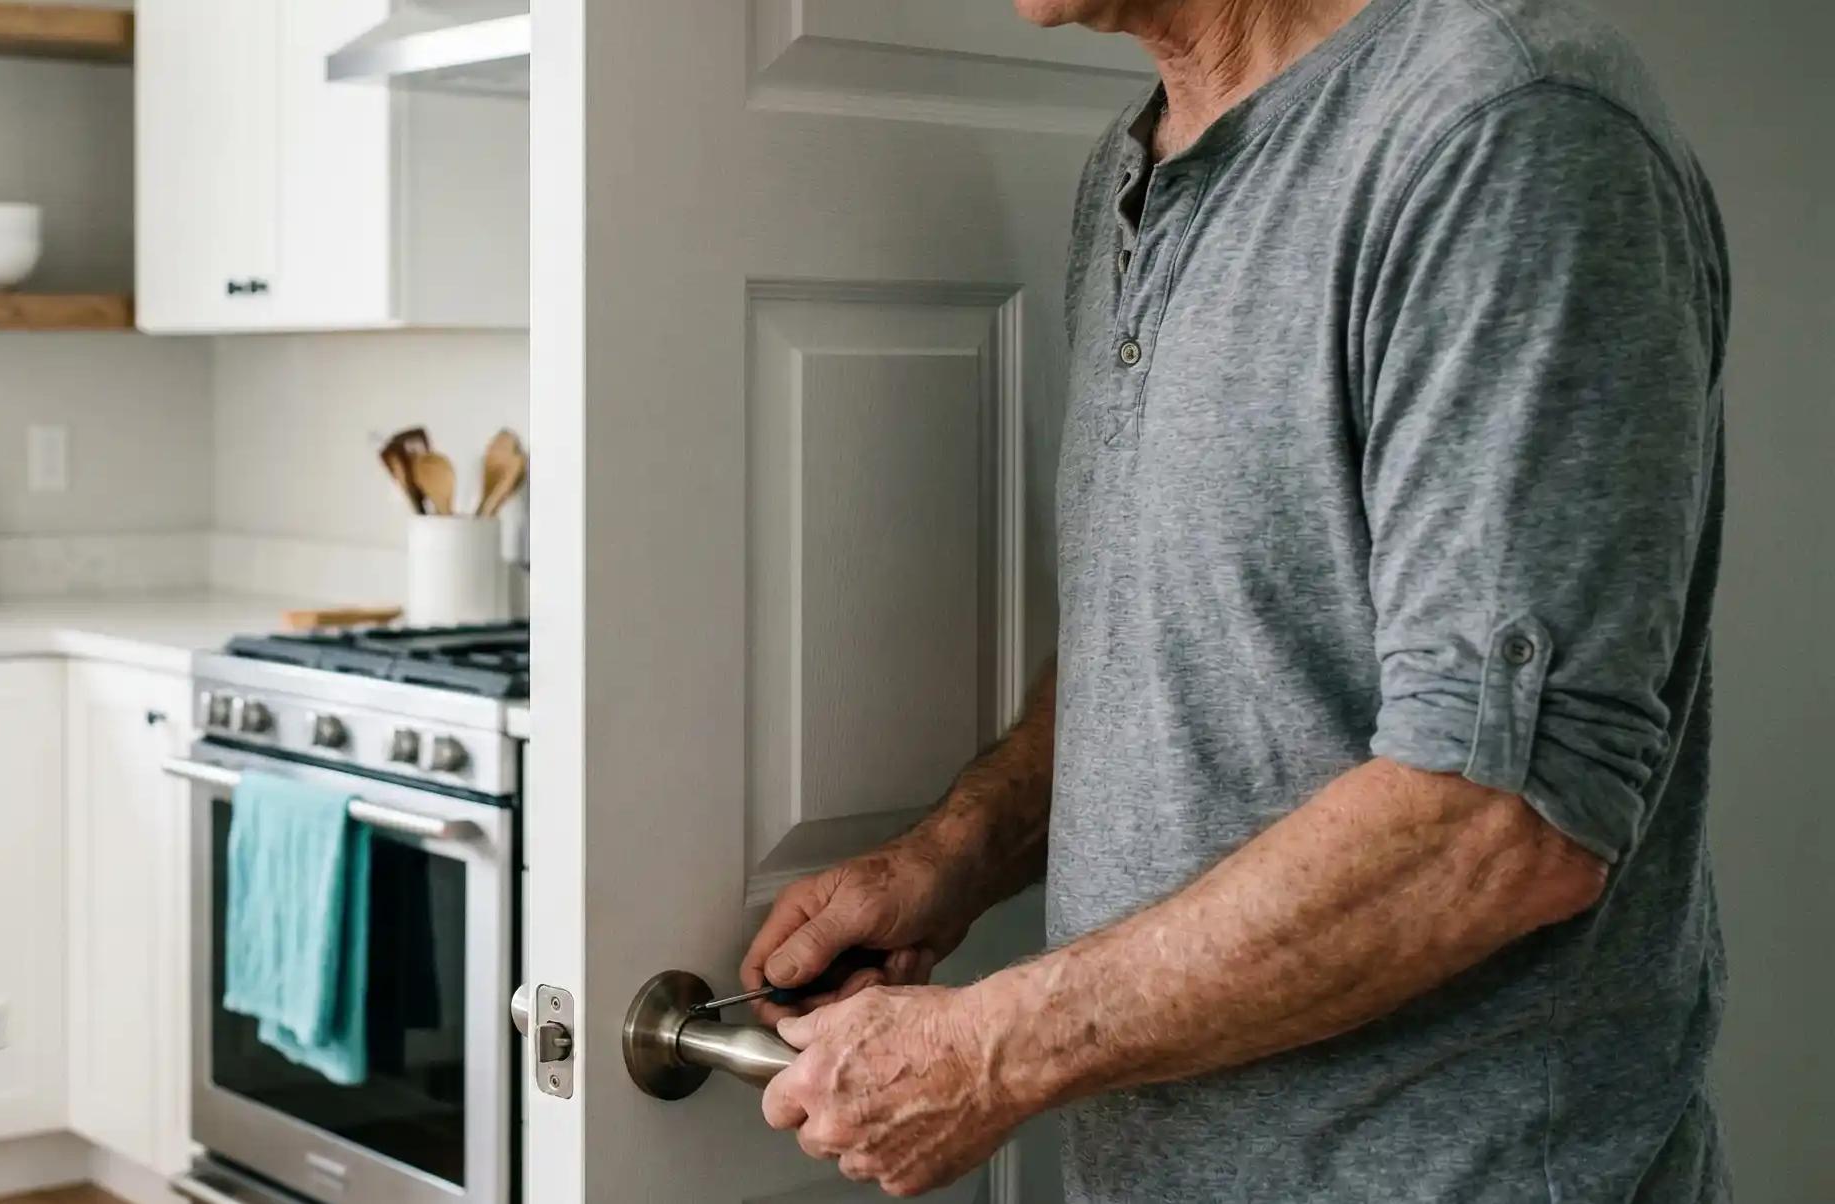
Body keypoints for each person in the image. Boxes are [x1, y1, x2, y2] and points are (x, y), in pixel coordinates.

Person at [739, 0, 1732, 1198]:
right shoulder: (1133, 164)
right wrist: (963, 847)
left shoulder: (1498, 126)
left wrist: (996, 1049)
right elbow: (1189, 634)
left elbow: (1503, 821)